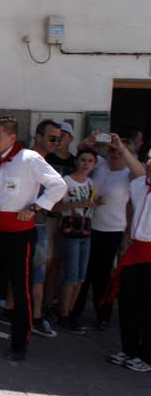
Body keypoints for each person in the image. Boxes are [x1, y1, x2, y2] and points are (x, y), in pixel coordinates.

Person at [0, 117, 66, 361]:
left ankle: (19, 343)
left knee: (21, 288)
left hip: (20, 232)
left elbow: (58, 185)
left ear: (12, 137)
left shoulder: (29, 159)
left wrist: (37, 207)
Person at [0, 120, 61, 337]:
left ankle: (20, 314)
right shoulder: (28, 159)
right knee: (32, 274)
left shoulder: (37, 160)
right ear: (39, 136)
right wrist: (35, 208)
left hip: (34, 223)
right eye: (52, 138)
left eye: (59, 139)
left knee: (31, 273)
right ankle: (31, 318)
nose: (56, 143)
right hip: (25, 224)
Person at [73, 133, 134, 327]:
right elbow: (81, 150)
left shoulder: (129, 174)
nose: (114, 154)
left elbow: (140, 175)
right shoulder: (100, 164)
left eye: (119, 151)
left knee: (103, 275)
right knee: (85, 272)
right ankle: (74, 311)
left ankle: (103, 315)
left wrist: (127, 235)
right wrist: (92, 139)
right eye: (112, 150)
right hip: (90, 226)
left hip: (113, 230)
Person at [108, 141, 151, 372]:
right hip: (136, 251)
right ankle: (129, 348)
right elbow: (137, 170)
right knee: (128, 302)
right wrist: (122, 148)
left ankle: (146, 356)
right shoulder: (140, 185)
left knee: (147, 307)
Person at [52, 149, 99, 333]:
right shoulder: (66, 182)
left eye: (90, 161)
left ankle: (71, 312)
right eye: (83, 160)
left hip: (86, 228)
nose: (86, 164)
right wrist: (75, 205)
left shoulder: (90, 183)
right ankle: (64, 314)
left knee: (80, 276)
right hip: (70, 228)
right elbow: (54, 206)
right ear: (77, 161)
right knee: (71, 275)